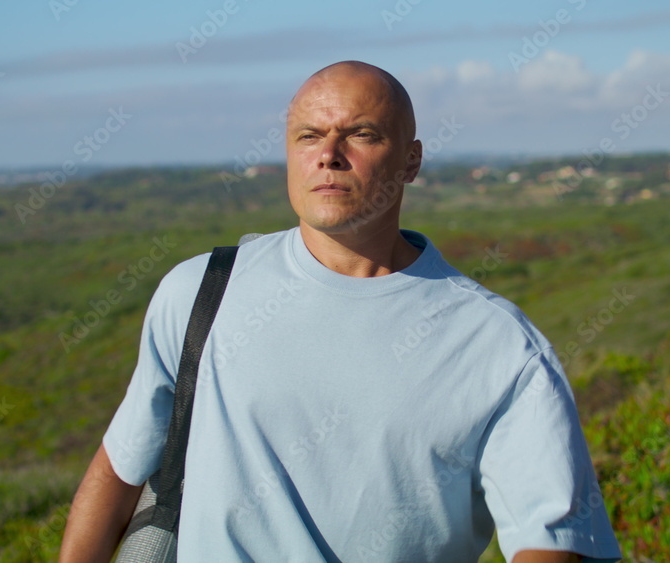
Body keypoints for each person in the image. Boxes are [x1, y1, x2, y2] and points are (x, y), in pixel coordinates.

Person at [60, 61, 622, 562]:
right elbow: (120, 470)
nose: (328, 154)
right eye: (308, 135)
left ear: (411, 160)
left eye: (360, 134)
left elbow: (551, 543)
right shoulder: (200, 290)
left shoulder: (500, 345)